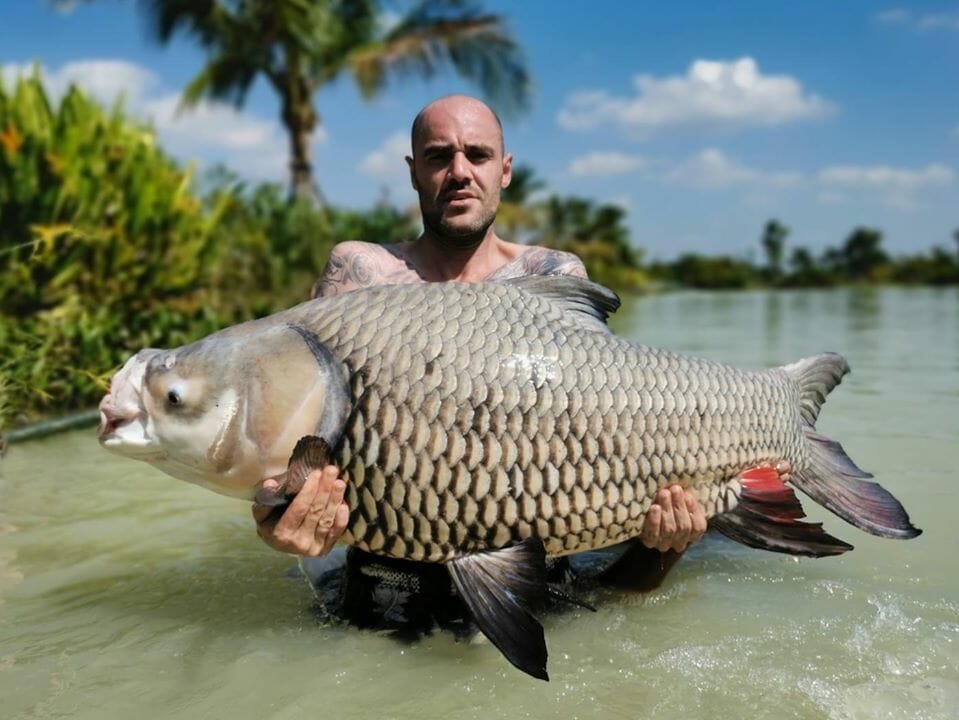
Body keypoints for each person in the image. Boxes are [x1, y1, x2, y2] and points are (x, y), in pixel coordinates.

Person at [251, 94, 782, 628]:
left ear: (504, 171)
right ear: (414, 173)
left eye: (477, 155)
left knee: (666, 549)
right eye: (439, 157)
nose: (459, 172)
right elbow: (301, 439)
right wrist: (277, 513)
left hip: (534, 576)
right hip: (388, 581)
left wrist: (665, 539)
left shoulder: (552, 273)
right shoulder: (360, 273)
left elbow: (603, 439)